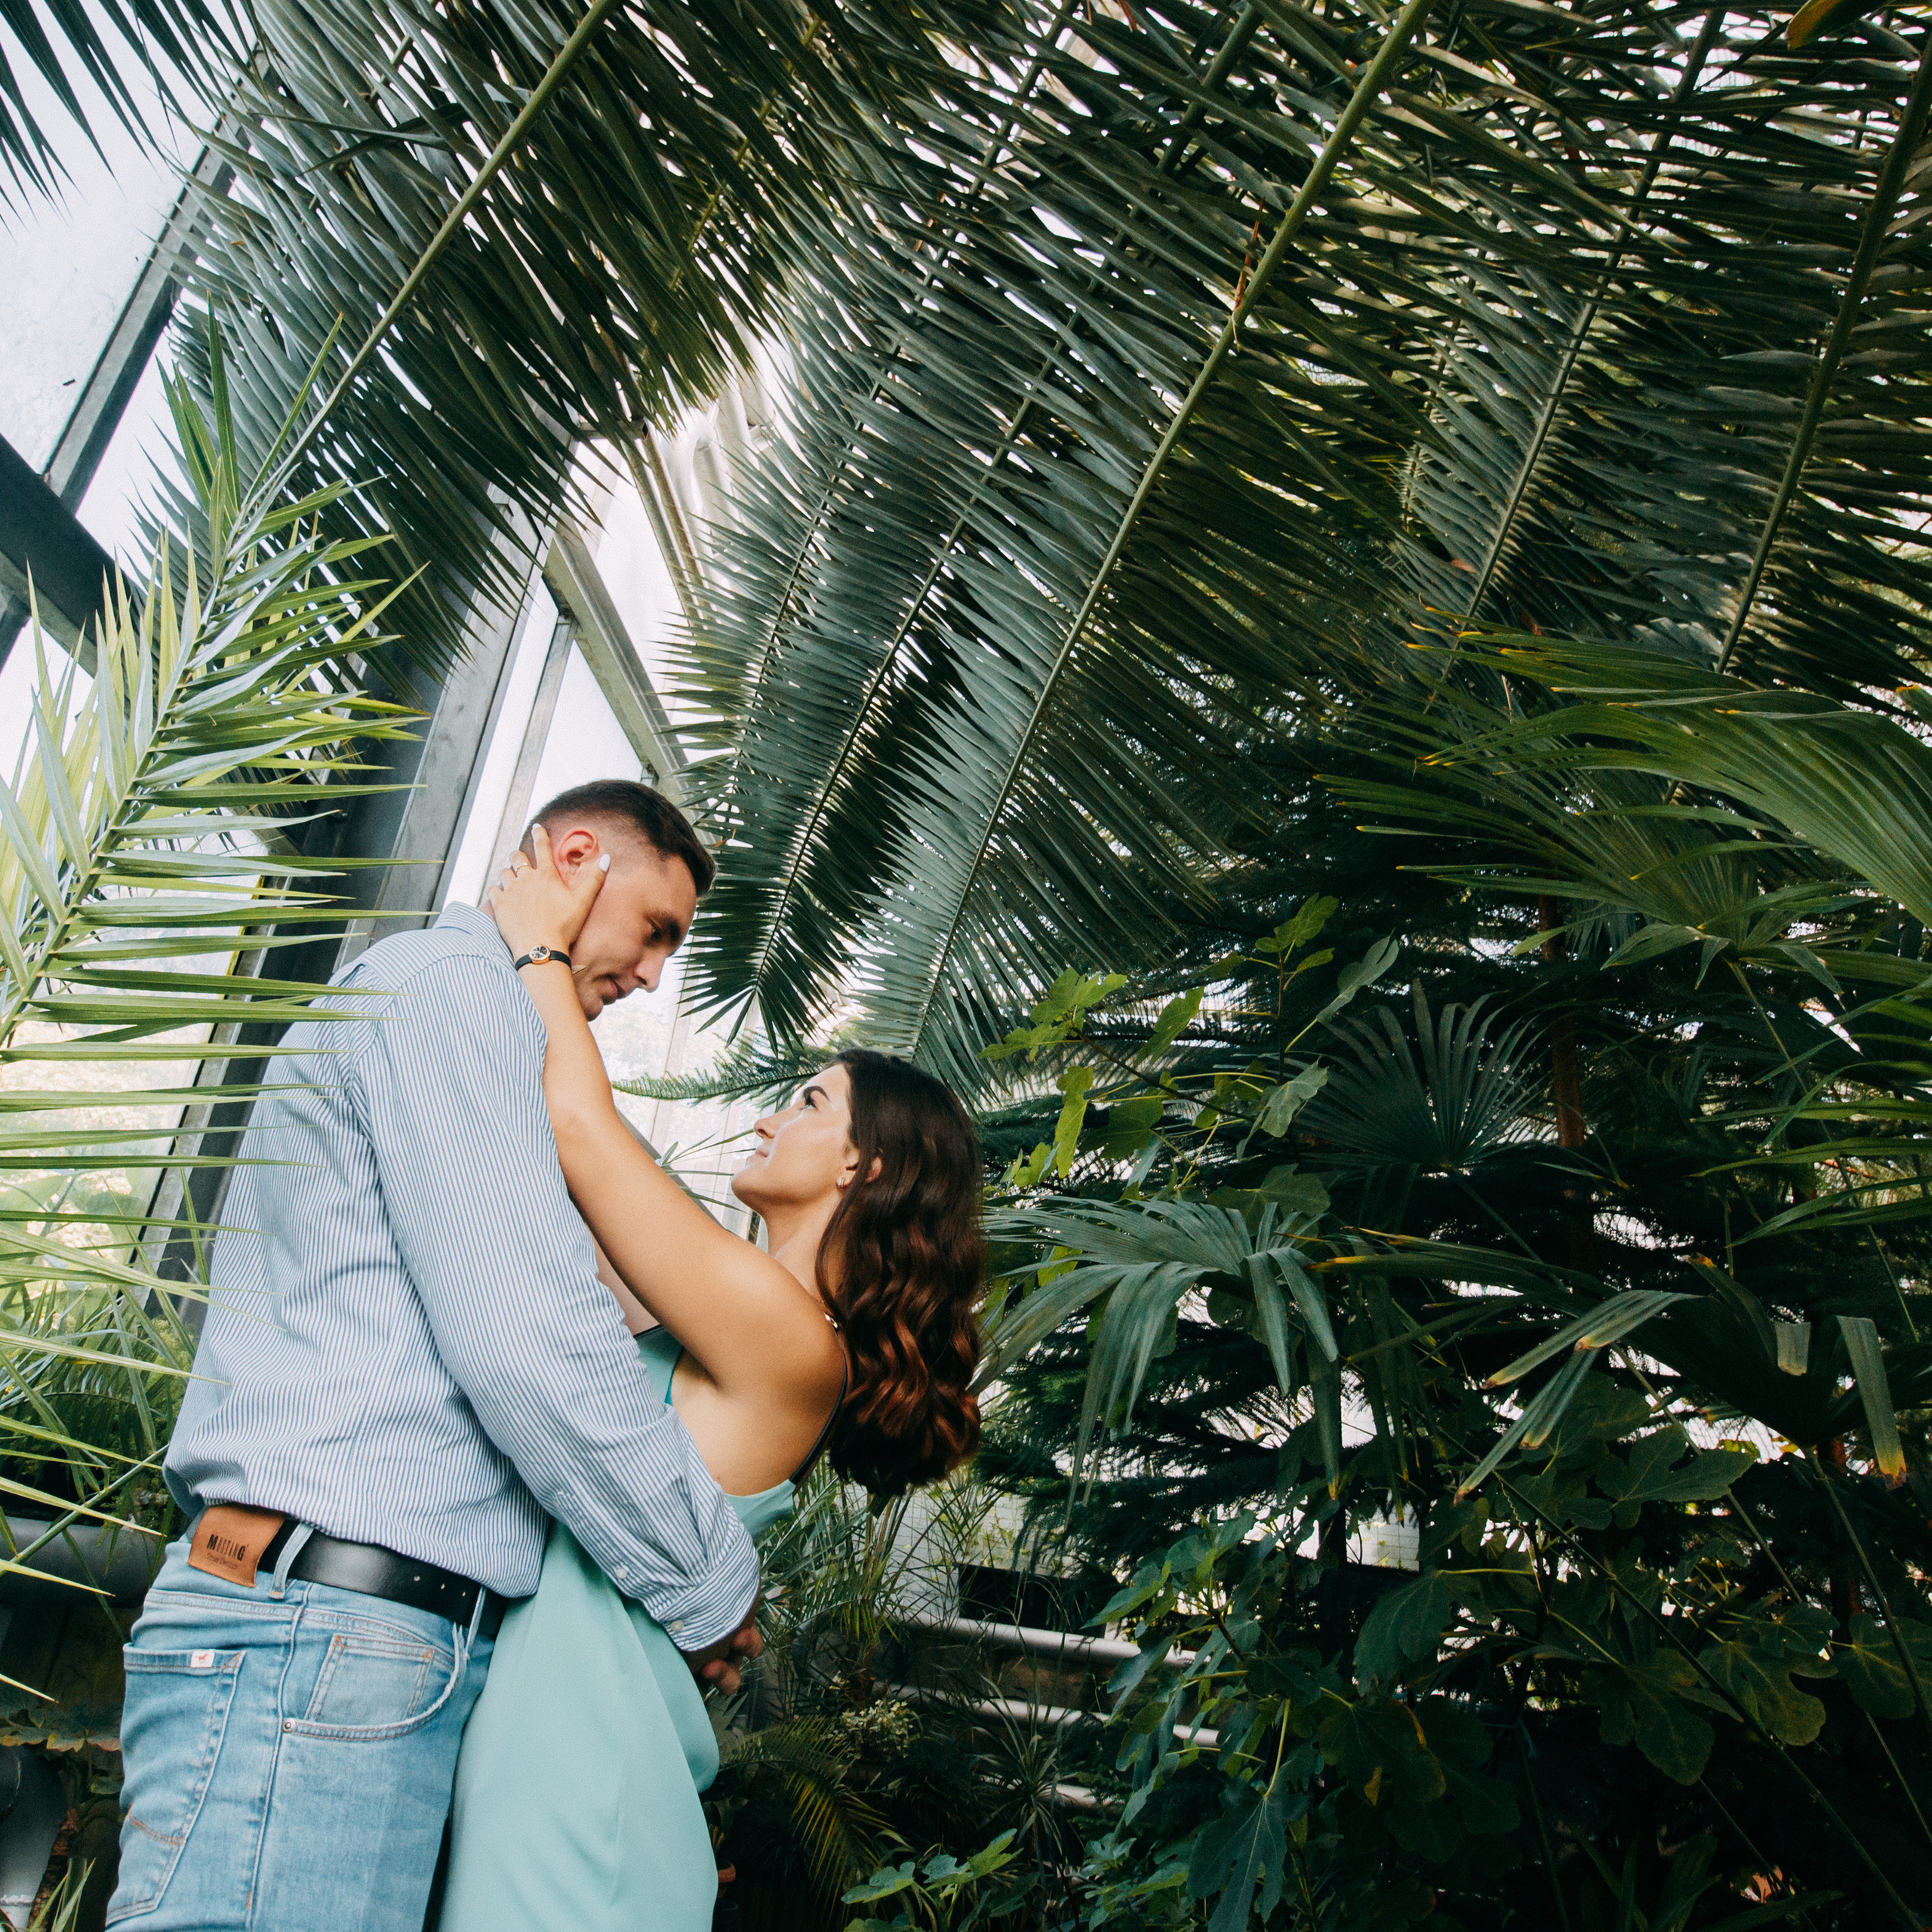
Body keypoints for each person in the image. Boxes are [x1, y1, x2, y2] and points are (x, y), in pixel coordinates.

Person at [109, 783, 761, 1932]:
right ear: (575, 858)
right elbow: (533, 1347)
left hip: (327, 1640)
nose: (657, 974)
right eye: (657, 929)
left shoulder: (459, 1008)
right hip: (320, 1637)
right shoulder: (454, 995)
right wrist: (710, 1583)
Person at [434, 827, 984, 1932]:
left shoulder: (790, 1339)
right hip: (561, 1768)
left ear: (862, 1165)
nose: (771, 1115)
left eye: (812, 1103)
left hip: (588, 1801)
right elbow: (568, 1197)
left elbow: (583, 1135)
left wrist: (542, 950)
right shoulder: (729, 1313)